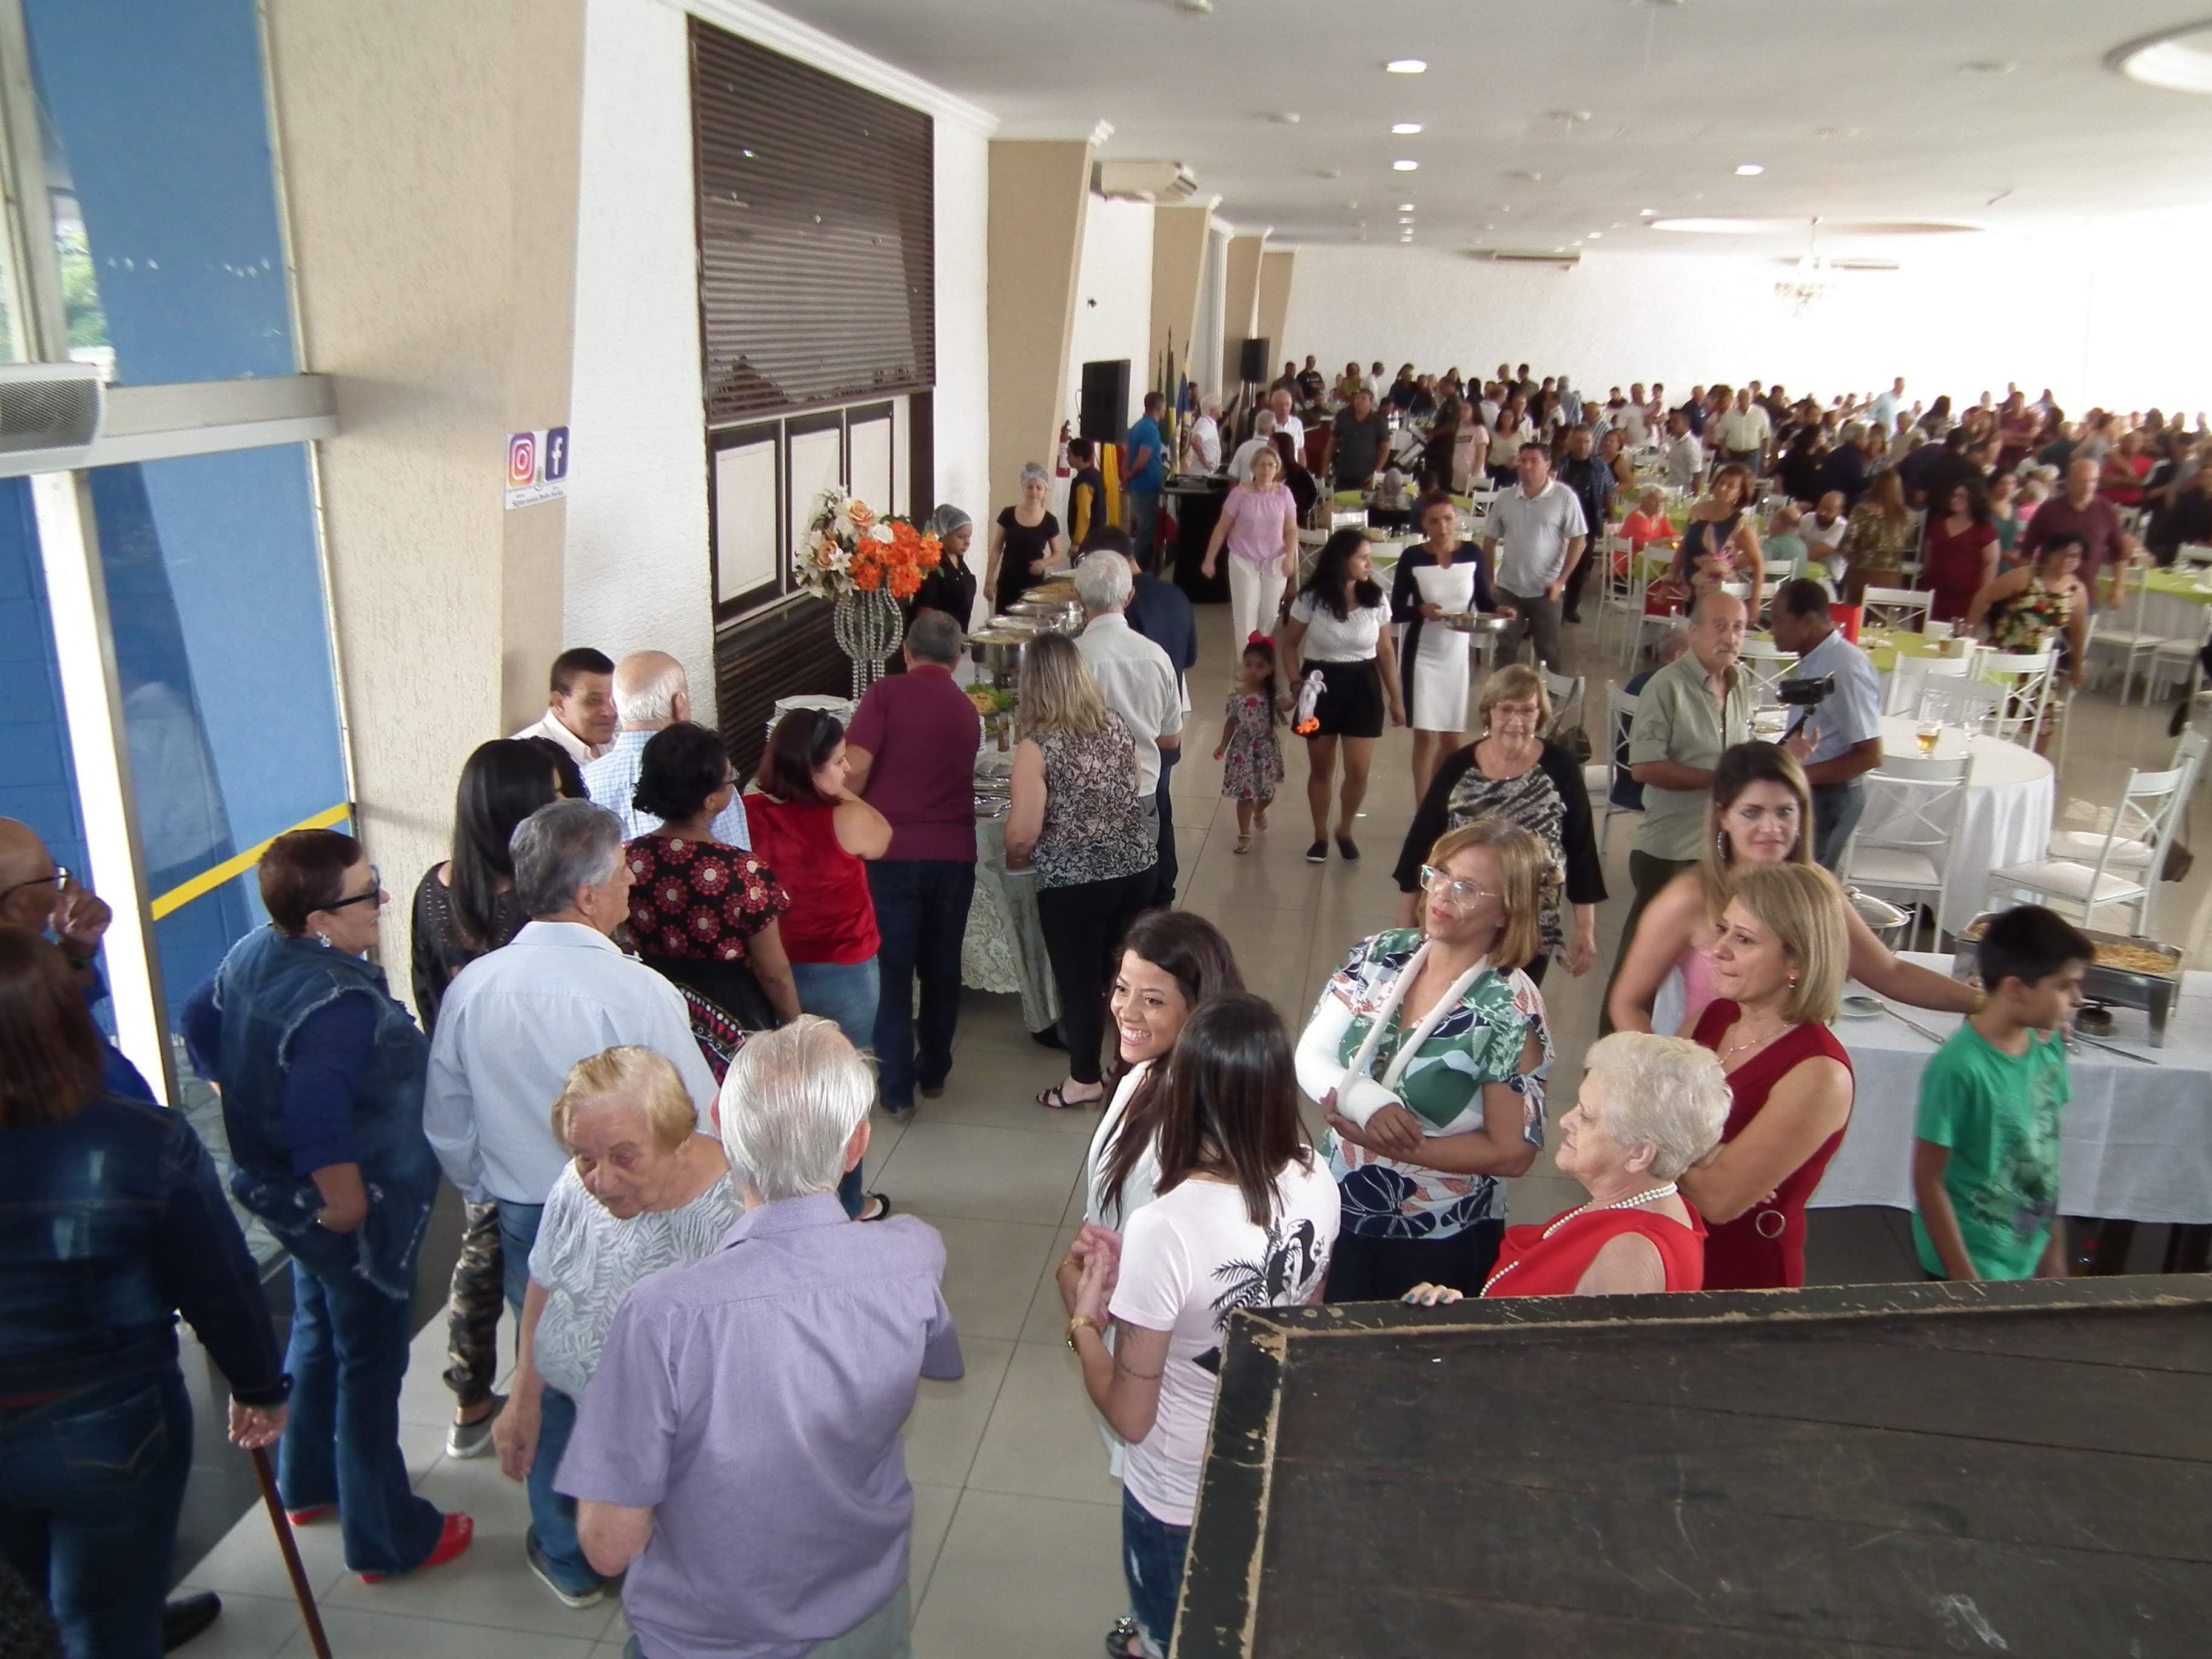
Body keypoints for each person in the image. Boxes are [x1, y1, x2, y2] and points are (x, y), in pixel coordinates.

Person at [558, 1019, 962, 1659]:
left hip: (713, 1638)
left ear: (721, 1120)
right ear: (856, 1146)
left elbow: (608, 1549)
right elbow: (936, 1362)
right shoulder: (916, 1254)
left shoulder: (662, 1316)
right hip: (865, 1613)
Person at [182, 831, 469, 1581]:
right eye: (365, 895)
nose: (380, 901)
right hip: (350, 1215)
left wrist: (237, 1090)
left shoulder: (254, 951)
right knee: (370, 1366)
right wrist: (344, 1201)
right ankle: (385, 1536)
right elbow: (316, 1110)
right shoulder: (337, 1002)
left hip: (281, 1201)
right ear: (317, 919)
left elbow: (200, 1020)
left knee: (316, 1329)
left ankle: (305, 1482)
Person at [1, 929, 289, 1658]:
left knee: (21, 1622)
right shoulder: (142, 1139)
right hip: (112, 1418)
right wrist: (259, 1385)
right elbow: (217, 1281)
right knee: (111, 1625)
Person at [1062, 994, 1338, 1659]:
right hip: (1264, 1449)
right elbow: (1303, 1319)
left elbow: (1132, 1416)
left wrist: (1083, 1317)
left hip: (1179, 1488)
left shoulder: (1168, 1224)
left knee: (1172, 1633)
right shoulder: (1317, 1174)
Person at [426, 797, 722, 1318]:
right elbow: (696, 1114)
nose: (631, 879)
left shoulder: (472, 988)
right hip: (631, 1207)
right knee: (637, 1353)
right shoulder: (639, 991)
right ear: (588, 897)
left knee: (549, 1355)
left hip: (522, 1208)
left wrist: (488, 1183)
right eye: (621, 869)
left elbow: (448, 1119)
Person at [492, 1047, 742, 1609]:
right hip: (594, 1431)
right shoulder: (577, 1184)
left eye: (625, 1156)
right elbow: (545, 1279)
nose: (601, 1180)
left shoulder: (734, 1221)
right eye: (584, 1156)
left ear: (679, 1136)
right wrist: (525, 1395)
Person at [1299, 815, 1549, 1301]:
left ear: (1507, 912)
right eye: (1438, 875)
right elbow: (1311, 1055)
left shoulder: (1510, 1008)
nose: (1441, 895)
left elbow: (1514, 1153)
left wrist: (1395, 1146)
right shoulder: (1379, 954)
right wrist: (1371, 1104)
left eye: (1469, 888)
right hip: (1337, 1204)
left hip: (1436, 1236)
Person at [1609, 742, 1980, 1040]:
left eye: (1784, 812)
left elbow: (1890, 973)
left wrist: (1984, 1003)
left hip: (1797, 1070)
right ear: (1723, 815)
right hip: (1709, 1078)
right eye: (1752, 813)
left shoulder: (1816, 892)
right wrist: (1669, 1076)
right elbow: (1626, 1003)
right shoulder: (1690, 897)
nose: (1771, 827)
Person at [412, 739, 564, 1457]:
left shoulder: (435, 891)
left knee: (479, 1243)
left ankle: (470, 1394)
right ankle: (544, 1387)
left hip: (476, 1095)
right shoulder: (537, 905)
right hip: (546, 1099)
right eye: (556, 793)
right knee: (541, 1252)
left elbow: (427, 1000)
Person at [1401, 1033, 1728, 1304]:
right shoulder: (1633, 1206)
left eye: (1586, 1116)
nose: (1566, 1121)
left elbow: (1583, 1378)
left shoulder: (1631, 1254)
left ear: (1640, 1154)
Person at [1675, 863, 1854, 1290]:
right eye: (1722, 930)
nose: (1718, 950)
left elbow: (1718, 1200)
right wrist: (1707, 1154)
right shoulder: (1716, 1017)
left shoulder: (1819, 1073)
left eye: (1744, 939)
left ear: (1796, 959)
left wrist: (1657, 1140)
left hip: (1736, 1271)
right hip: (1670, 1245)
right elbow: (1635, 1106)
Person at [745, 708, 893, 1218]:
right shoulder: (844, 815)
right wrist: (838, 793)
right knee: (842, 1092)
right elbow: (883, 837)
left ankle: (784, 1204)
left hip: (770, 967)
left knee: (784, 1093)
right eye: (837, 762)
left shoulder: (747, 812)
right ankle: (847, 1204)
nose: (848, 770)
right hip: (842, 969)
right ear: (811, 770)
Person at [1005, 632, 1156, 1111]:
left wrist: (1016, 862)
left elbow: (1024, 832)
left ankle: (1084, 1079)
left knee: (1080, 982)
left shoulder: (1037, 747)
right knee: (1123, 978)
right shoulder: (1114, 723)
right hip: (1135, 869)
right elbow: (1133, 785)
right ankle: (1129, 1068)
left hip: (1075, 885)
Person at [845, 610, 984, 1119]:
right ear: (958, 658)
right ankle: (936, 1071)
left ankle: (898, 1087)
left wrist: (842, 809)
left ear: (906, 651)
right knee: (943, 966)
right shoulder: (967, 710)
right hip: (954, 857)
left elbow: (855, 768)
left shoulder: (885, 695)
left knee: (894, 970)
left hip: (892, 856)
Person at [1393, 665, 1602, 987]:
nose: (1516, 721)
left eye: (1527, 711)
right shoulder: (1459, 766)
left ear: (1540, 716)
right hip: (1461, 913)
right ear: (1489, 713)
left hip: (1531, 923)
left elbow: (1581, 847)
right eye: (1506, 709)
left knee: (1510, 1011)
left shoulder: (1560, 767)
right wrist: (1406, 920)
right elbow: (1421, 842)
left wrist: (1585, 929)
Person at [1913, 906, 2088, 1284]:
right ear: (2015, 989)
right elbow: (1929, 1181)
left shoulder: (2050, 1047)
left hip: (2025, 1255)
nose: (2078, 999)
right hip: (1969, 1263)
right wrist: (1964, 1277)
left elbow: (2045, 1155)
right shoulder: (1959, 1068)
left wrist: (2053, 1252)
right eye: (2063, 986)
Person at [1610, 590, 1754, 1020]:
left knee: (1702, 974)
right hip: (1669, 850)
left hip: (1721, 853)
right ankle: (1608, 1066)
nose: (1731, 636)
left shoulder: (1740, 682)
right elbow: (1644, 768)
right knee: (1638, 977)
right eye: (1721, 625)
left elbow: (1736, 756)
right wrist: (1722, 783)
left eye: (1740, 627)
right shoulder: (1666, 686)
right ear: (1693, 632)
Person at [620, 724, 800, 1029]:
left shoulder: (628, 859)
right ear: (709, 800)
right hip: (731, 1010)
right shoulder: (743, 871)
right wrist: (798, 1024)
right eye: (729, 778)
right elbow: (773, 972)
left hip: (655, 1002)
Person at [1280, 530, 1404, 863]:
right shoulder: (1311, 599)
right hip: (1319, 686)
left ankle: (1345, 829)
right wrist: (1295, 682)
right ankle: (1320, 835)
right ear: (1342, 560)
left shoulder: (1376, 599)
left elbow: (1386, 652)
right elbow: (1290, 645)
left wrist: (1396, 697)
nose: (1370, 563)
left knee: (1358, 771)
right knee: (1321, 768)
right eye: (1363, 557)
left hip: (1363, 686)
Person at [1074, 550, 1185, 902]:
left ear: (1079, 598)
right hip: (1141, 797)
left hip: (1083, 801)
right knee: (1135, 913)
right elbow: (1171, 739)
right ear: (1129, 596)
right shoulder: (1157, 656)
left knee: (1090, 911)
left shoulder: (1071, 657)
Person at [1392, 490, 1505, 800]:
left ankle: (1441, 800)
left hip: (1456, 655)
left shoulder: (1473, 554)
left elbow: (1483, 601)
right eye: (1435, 521)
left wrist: (1500, 610)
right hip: (1422, 654)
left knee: (1452, 741)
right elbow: (1396, 609)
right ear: (1424, 525)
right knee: (1426, 737)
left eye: (1448, 519)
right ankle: (1422, 809)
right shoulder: (1412, 558)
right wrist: (1420, 611)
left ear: (1457, 520)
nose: (1443, 527)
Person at [1768, 579, 1884, 871]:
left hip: (1832, 797)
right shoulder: (1814, 658)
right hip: (1815, 790)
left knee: (1803, 891)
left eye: (1779, 621)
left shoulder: (1844, 668)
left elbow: (1870, 754)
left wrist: (1798, 777)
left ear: (1808, 621)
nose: (1772, 629)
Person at [580, 651, 752, 848]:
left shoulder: (585, 779)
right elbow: (738, 857)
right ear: (679, 705)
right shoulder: (709, 773)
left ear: (614, 705)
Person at [1484, 441, 1588, 673]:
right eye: (1523, 461)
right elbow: (1489, 540)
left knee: (1547, 649)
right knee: (1505, 648)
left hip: (1545, 589)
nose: (1527, 467)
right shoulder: (1506, 498)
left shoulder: (1564, 497)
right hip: (1510, 587)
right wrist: (1490, 580)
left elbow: (1579, 540)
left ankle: (1550, 700)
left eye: (1534, 461)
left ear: (1547, 465)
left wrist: (1561, 581)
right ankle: (1500, 699)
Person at [1201, 441, 1299, 647]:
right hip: (1243, 559)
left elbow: (1291, 530)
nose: (1266, 470)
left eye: (1271, 465)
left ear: (1277, 469)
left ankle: (1259, 654)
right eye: (1262, 465)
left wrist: (1290, 558)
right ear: (1254, 468)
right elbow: (1222, 528)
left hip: (1275, 560)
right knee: (1246, 612)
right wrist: (1209, 560)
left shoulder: (1284, 495)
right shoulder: (1240, 494)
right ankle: (1245, 661)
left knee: (1269, 613)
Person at [1966, 532, 2091, 683]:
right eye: (2061, 554)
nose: (2066, 560)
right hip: (2004, 658)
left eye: (2073, 556)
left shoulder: (2077, 591)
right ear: (2050, 553)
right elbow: (1982, 598)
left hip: (2039, 668)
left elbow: (2078, 633)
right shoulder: (2026, 576)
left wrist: (2077, 668)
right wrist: (1968, 639)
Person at [2017, 457, 2136, 606]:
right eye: (2082, 481)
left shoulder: (2106, 510)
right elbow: (2027, 550)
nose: (2088, 486)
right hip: (2046, 592)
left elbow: (2120, 552)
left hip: (2085, 594)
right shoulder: (2049, 509)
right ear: (2069, 481)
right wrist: (2023, 586)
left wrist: (2118, 588)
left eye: (2092, 481)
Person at [1215, 634, 1286, 854]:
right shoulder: (1236, 696)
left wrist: (1300, 695)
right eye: (1248, 664)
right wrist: (1223, 745)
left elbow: (1287, 704)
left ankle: (1260, 811)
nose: (1253, 670)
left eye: (1260, 666)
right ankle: (1244, 833)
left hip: (1265, 750)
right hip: (1242, 751)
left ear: (1271, 670)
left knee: (1267, 793)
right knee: (1245, 795)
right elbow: (1231, 723)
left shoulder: (1273, 695)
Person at [1672, 463, 1765, 611]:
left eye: (1730, 486)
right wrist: (1669, 579)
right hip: (1689, 590)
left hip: (1719, 594)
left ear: (1740, 493)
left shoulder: (1739, 524)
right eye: (1721, 482)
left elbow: (1758, 562)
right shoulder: (1697, 511)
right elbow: (1683, 550)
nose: (1723, 488)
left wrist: (1755, 602)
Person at [511, 646, 617, 766]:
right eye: (594, 701)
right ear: (559, 703)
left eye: (614, 699)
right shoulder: (524, 757)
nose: (611, 712)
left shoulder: (618, 746)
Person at [1554, 423, 1615, 623]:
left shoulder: (1600, 466)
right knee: (1557, 565)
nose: (1583, 446)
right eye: (1579, 441)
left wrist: (1612, 517)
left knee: (1580, 568)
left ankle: (1571, 607)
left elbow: (1608, 492)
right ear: (1570, 443)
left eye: (1587, 441)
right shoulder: (1561, 465)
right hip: (1560, 522)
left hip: (1588, 522)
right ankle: (1554, 607)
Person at [1921, 477, 2000, 623]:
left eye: (1961, 497)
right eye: (1954, 496)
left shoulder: (1985, 528)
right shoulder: (1938, 523)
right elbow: (1929, 553)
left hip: (1965, 598)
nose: (1955, 500)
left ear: (1974, 499)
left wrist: (1985, 596)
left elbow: (1991, 563)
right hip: (1934, 591)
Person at [985, 466, 1062, 615]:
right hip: (1008, 580)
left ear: (1045, 491)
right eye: (1030, 487)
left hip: (1034, 584)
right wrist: (989, 580)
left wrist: (1043, 563)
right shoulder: (1008, 514)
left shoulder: (1050, 521)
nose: (1034, 492)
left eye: (1039, 488)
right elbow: (996, 548)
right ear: (1023, 488)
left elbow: (1058, 553)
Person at [1836, 468, 1915, 603]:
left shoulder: (1862, 511)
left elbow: (1845, 546)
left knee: (1858, 619)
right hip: (1892, 579)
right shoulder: (1907, 516)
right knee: (1884, 621)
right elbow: (1908, 544)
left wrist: (1855, 559)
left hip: (1863, 576)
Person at [911, 502, 979, 632]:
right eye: (961, 537)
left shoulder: (959, 561)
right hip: (940, 639)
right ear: (944, 533)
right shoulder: (934, 566)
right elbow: (925, 612)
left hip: (958, 636)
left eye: (969, 537)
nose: (967, 542)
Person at [1125, 392, 1169, 561]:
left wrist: (1126, 478)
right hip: (1145, 488)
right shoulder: (1150, 430)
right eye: (1165, 407)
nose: (1166, 410)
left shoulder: (1138, 426)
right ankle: (1136, 571)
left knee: (1144, 530)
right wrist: (1129, 477)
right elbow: (1142, 461)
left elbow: (1128, 455)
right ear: (1159, 408)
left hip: (1140, 487)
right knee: (1145, 533)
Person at [1330, 386, 1389, 493]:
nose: (1359, 401)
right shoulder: (1344, 418)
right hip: (1344, 474)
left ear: (1371, 403)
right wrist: (1325, 467)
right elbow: (1332, 443)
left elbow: (1385, 448)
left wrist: (1377, 471)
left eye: (1363, 398)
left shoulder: (1378, 422)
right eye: (1358, 398)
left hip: (1366, 475)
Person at [1066, 437, 1108, 547]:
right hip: (1098, 537)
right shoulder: (1096, 475)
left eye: (1070, 455)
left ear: (1080, 458)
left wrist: (1077, 542)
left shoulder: (1084, 482)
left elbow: (1084, 514)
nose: (1067, 458)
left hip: (1087, 540)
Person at [1225, 407, 1278, 483]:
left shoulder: (1243, 448)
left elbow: (1233, 477)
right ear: (1274, 429)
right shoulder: (1275, 450)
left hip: (1244, 494)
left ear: (1256, 427)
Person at [1662, 409, 1704, 492]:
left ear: (1686, 424)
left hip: (1681, 490)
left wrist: (1693, 498)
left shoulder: (1691, 445)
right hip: (1670, 484)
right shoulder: (1675, 440)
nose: (1671, 425)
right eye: (1671, 421)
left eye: (1676, 422)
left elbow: (1697, 475)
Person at [1180, 395, 1224, 474]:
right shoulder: (1206, 424)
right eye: (1220, 406)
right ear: (1212, 409)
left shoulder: (1208, 423)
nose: (1222, 408)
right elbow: (1195, 442)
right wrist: (1205, 462)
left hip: (1203, 473)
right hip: (1201, 473)